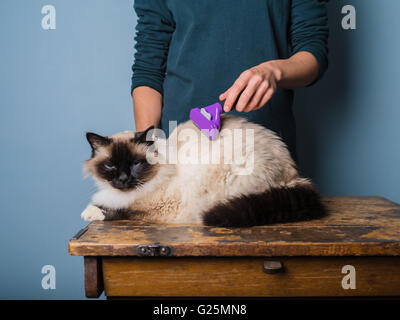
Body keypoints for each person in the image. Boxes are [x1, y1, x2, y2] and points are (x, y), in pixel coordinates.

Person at [131, 0, 328, 161]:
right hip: (182, 142)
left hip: (261, 141)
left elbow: (312, 51)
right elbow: (149, 67)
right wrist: (147, 149)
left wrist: (274, 72)